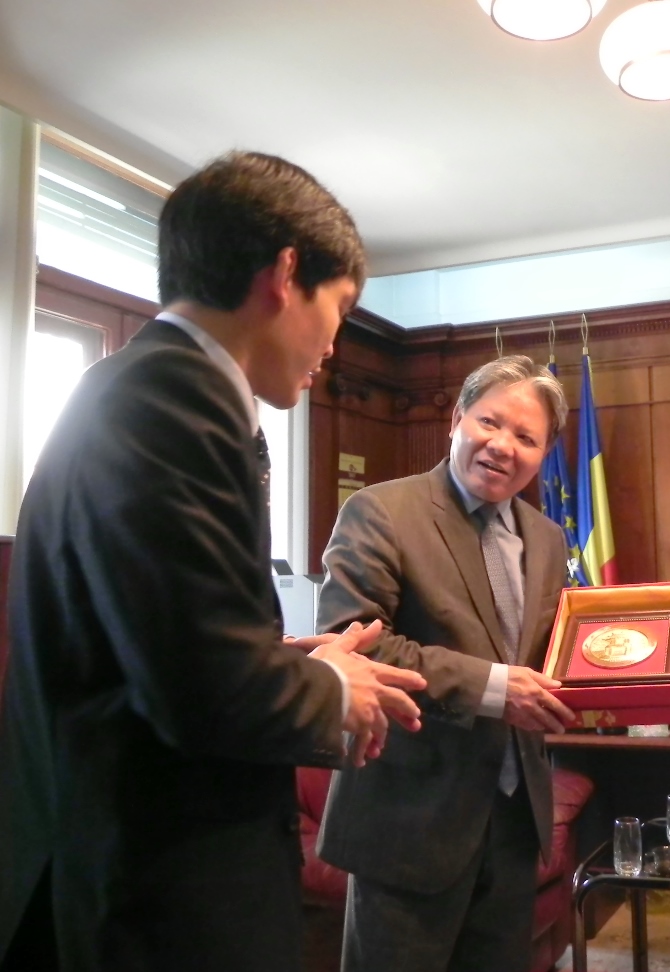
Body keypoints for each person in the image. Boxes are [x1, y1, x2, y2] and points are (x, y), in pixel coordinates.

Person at [0, 151, 428, 972]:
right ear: (285, 274)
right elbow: (203, 690)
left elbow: (156, 645)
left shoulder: (138, 388)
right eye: (339, 308)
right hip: (156, 897)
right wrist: (334, 688)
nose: (334, 343)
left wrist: (293, 662)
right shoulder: (172, 399)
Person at [315, 354, 576, 972]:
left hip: (514, 820)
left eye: (526, 438)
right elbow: (355, 642)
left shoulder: (547, 538)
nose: (503, 445)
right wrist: (495, 688)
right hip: (409, 819)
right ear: (456, 419)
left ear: (543, 455)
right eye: (490, 422)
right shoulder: (382, 511)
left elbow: (553, 651)